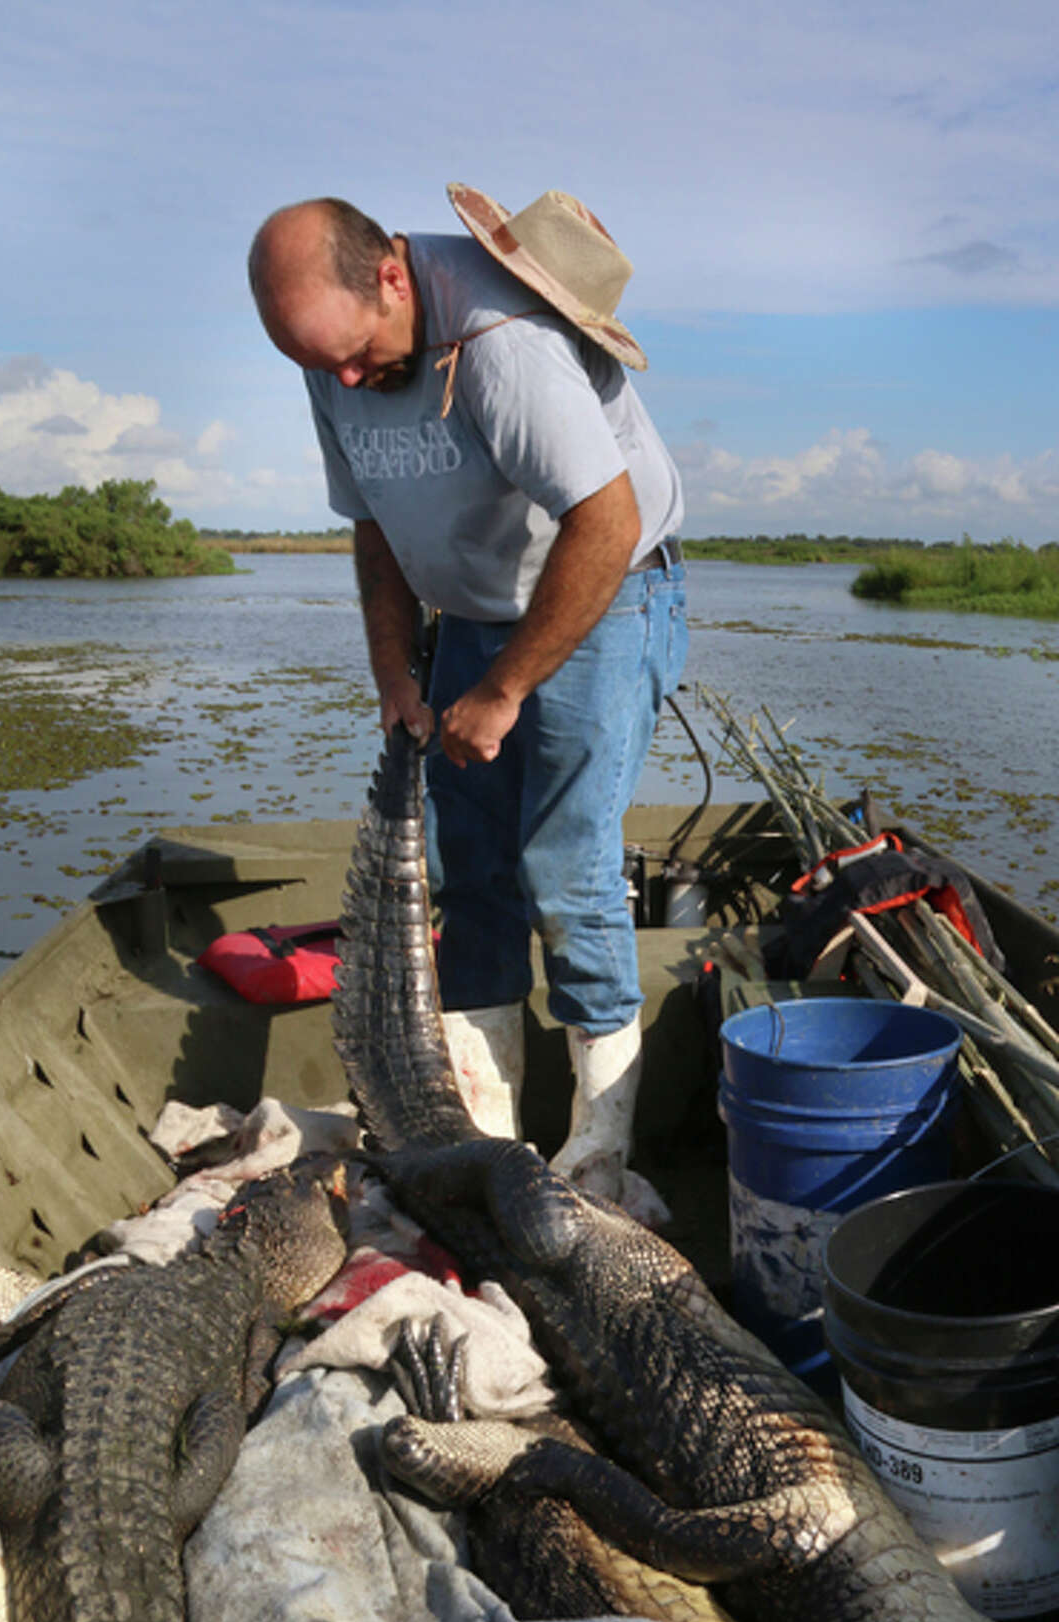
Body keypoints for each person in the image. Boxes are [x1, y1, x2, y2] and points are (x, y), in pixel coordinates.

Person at [248, 184, 687, 1197]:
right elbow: (375, 526)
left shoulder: (499, 343)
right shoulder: (334, 357)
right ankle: (489, 1129)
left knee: (566, 863)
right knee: (468, 865)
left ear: (394, 276)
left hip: (604, 594)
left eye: (355, 355)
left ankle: (600, 1152)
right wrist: (396, 672)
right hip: (475, 607)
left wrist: (502, 688)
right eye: (324, 367)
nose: (349, 380)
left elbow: (606, 527)